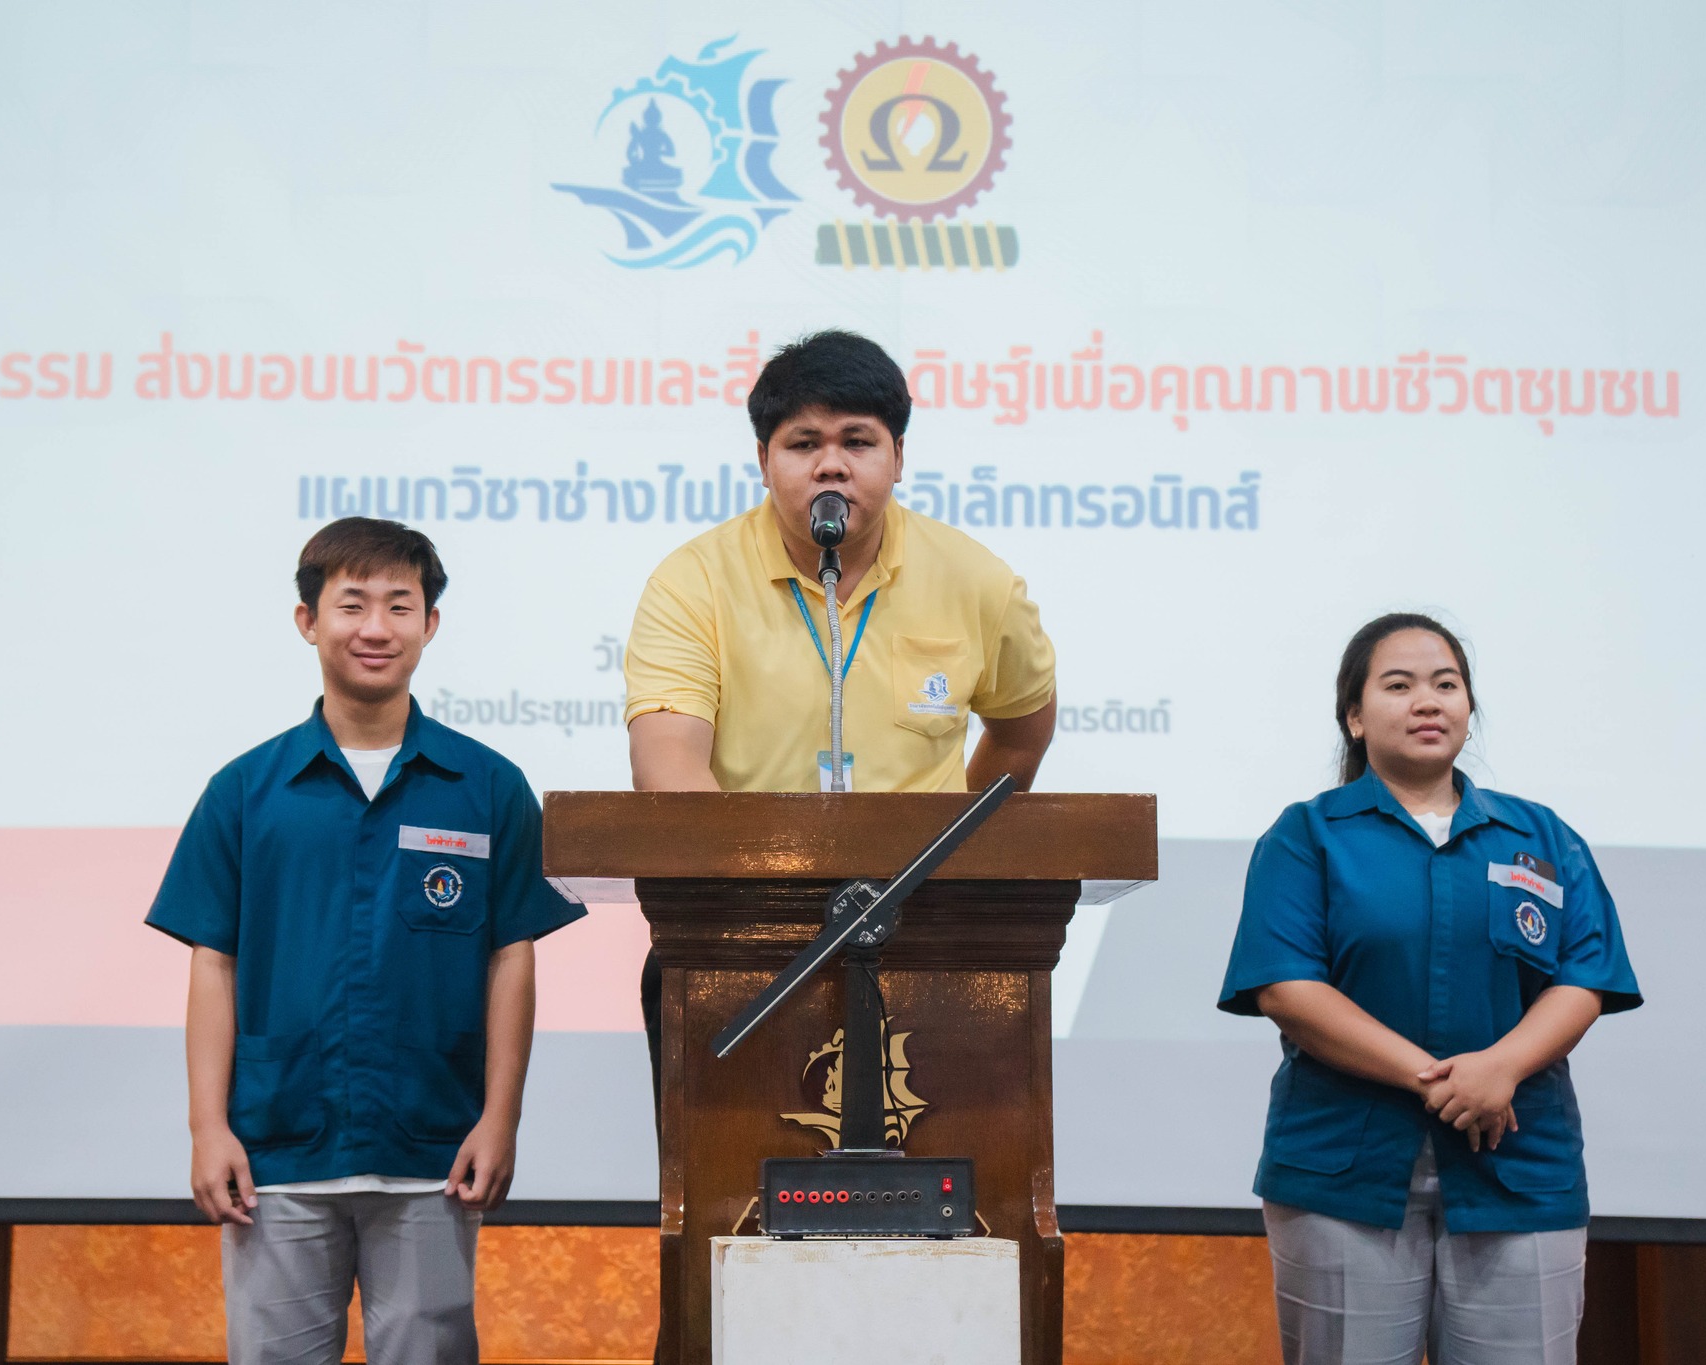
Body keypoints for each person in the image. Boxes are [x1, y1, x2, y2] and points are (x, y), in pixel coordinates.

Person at [145, 517, 584, 1365]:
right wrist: (208, 1126)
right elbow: (214, 962)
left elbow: (512, 957)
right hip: (277, 1147)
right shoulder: (244, 791)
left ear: (431, 624)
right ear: (308, 620)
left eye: (399, 604)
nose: (375, 627)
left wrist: (502, 1116)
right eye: (352, 604)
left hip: (432, 1149)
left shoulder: (487, 787)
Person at [624, 327, 1059, 1071]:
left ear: (898, 458)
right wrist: (777, 884)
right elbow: (671, 777)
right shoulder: (692, 582)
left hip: (929, 939)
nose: (832, 463)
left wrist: (947, 851)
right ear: (763, 461)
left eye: (859, 440)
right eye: (802, 443)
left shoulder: (976, 580)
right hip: (735, 943)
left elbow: (1021, 733)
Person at [1217, 612, 1641, 1365]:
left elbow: (1584, 974)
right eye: (1399, 684)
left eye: (1447, 684)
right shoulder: (1306, 836)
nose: (1428, 701)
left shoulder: (1541, 836)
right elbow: (1286, 986)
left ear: (1469, 708)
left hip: (1519, 1166)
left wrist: (1501, 1068)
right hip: (1344, 1173)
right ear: (1354, 714)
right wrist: (1446, 1079)